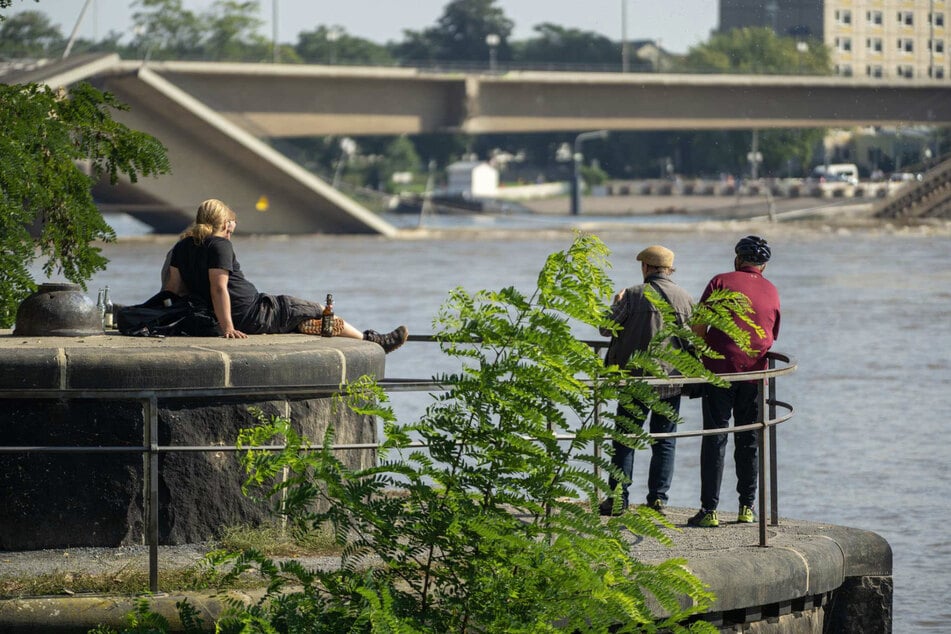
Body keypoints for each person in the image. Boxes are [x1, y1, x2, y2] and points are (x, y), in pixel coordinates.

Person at [162, 199, 408, 352]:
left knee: (300, 317)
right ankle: (372, 341)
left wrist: (163, 318)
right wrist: (228, 327)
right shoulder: (220, 245)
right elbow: (219, 287)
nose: (233, 229)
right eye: (232, 223)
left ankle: (301, 326)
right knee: (317, 309)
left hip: (234, 313)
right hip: (256, 313)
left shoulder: (182, 246)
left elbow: (173, 290)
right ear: (225, 223)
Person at [687, 236, 781, 528]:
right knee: (749, 440)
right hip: (755, 374)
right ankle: (746, 508)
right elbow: (772, 334)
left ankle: (709, 510)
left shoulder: (720, 282)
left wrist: (699, 356)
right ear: (763, 266)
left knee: (715, 438)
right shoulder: (773, 290)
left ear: (737, 259)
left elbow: (698, 326)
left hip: (720, 371)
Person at [598, 245, 693, 516]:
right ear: (669, 270)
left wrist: (616, 303)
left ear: (646, 268)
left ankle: (617, 499)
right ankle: (658, 500)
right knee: (664, 440)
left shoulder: (632, 295)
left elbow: (605, 328)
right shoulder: (685, 298)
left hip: (634, 380)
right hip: (671, 381)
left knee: (625, 439)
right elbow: (693, 341)